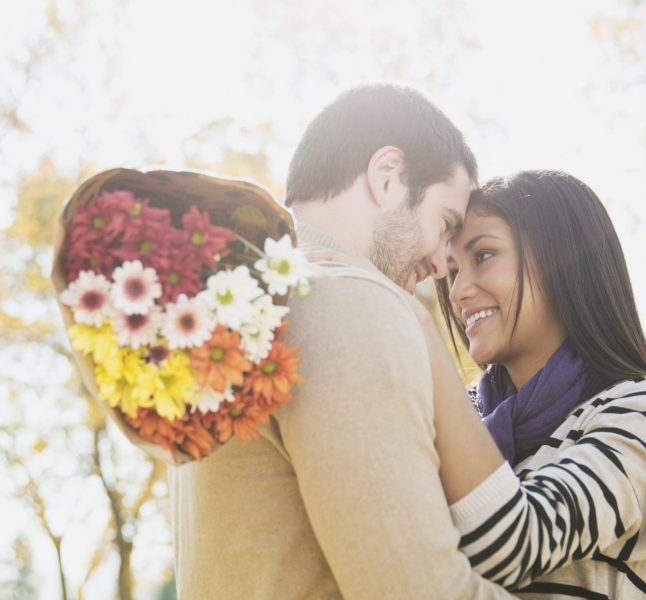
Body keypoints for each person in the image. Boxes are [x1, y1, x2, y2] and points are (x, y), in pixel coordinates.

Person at [168, 83, 513, 598]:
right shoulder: (350, 303)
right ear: (388, 177)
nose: (443, 263)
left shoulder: (240, 309)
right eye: (445, 224)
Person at [417, 170, 646, 597]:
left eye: (483, 256)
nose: (458, 291)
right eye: (453, 270)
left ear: (563, 259)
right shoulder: (450, 421)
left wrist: (414, 328)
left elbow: (515, 543)